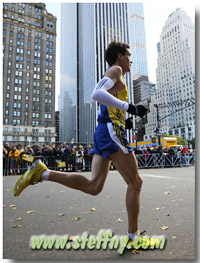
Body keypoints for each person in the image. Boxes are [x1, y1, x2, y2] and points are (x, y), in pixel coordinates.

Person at [13, 41, 148, 248]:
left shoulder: (117, 75)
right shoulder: (116, 69)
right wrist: (129, 107)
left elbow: (105, 105)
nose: (131, 60)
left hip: (105, 131)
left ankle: (43, 173)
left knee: (94, 187)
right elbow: (96, 94)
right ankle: (133, 237)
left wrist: (124, 118)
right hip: (111, 132)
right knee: (135, 182)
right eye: (129, 55)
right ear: (119, 56)